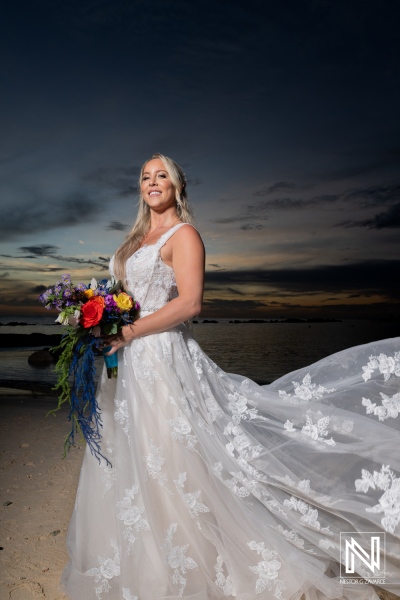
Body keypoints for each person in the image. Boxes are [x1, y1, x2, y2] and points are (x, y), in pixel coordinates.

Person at [62, 154, 400, 600]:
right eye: (145, 177)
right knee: (136, 458)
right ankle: (149, 560)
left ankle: (342, 555)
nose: (152, 182)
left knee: (175, 459)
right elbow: (127, 298)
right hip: (127, 366)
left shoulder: (185, 235)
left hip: (162, 362)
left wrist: (127, 331)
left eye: (162, 175)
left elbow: (190, 304)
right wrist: (100, 323)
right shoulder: (133, 241)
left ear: (178, 186)